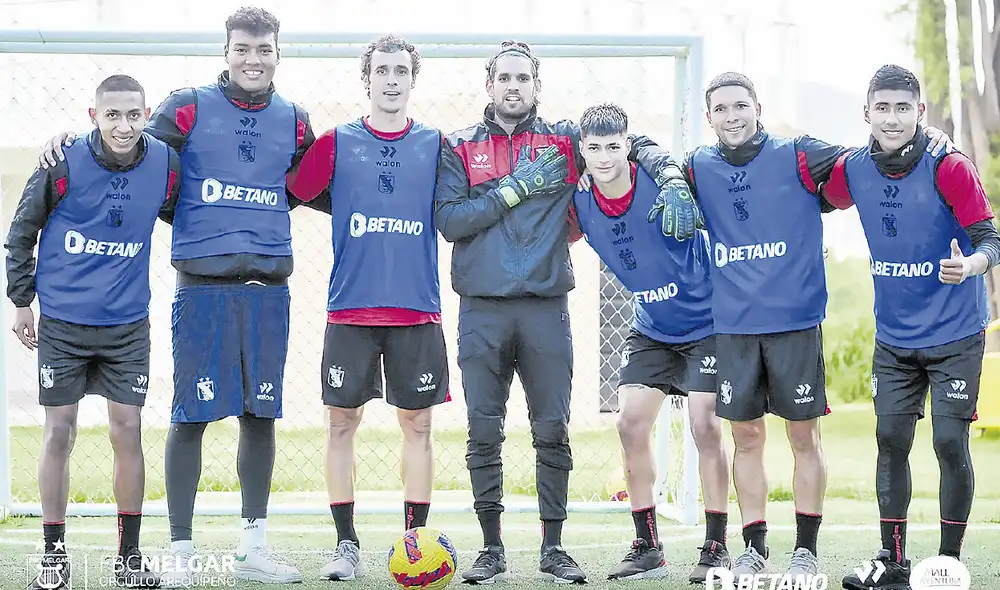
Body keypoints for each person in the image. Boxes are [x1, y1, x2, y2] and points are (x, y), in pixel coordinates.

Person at [38, 7, 314, 586]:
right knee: (189, 417)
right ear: (226, 51)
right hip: (202, 291)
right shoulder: (186, 106)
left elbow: (307, 184)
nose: (252, 60)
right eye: (242, 48)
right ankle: (182, 553)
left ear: (278, 53)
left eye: (264, 50)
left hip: (269, 289)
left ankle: (253, 548)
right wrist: (65, 139)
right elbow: (133, 160)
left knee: (259, 415)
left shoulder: (294, 120)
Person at [648, 71, 952, 581]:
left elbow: (872, 155)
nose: (732, 117)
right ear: (708, 118)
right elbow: (647, 162)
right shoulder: (698, 166)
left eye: (740, 105)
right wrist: (672, 179)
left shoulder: (799, 155)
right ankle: (754, 546)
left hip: (794, 325)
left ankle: (805, 548)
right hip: (735, 328)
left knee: (804, 439)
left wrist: (932, 140)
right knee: (746, 438)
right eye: (721, 109)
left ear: (758, 106)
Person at [434, 40, 696, 585]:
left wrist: (669, 177)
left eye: (523, 78)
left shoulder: (564, 139)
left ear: (536, 84)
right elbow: (451, 220)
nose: (513, 87)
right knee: (484, 432)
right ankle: (491, 548)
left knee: (551, 430)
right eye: (503, 77)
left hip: (546, 308)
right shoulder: (458, 146)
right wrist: (513, 189)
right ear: (489, 84)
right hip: (481, 310)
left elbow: (629, 142)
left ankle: (553, 547)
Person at [820, 65, 998, 590]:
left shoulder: (950, 168)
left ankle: (948, 562)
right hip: (894, 338)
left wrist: (970, 266)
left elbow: (991, 240)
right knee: (890, 440)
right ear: (868, 115)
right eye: (884, 108)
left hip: (956, 333)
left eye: (904, 108)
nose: (893, 118)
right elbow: (806, 196)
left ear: (920, 112)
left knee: (948, 442)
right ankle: (892, 562)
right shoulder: (853, 169)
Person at [284, 35, 448, 582]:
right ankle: (346, 543)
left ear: (412, 79)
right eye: (383, 70)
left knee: (418, 425)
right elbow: (288, 187)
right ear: (368, 79)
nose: (393, 79)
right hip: (350, 311)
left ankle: (414, 540)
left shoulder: (435, 144)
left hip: (416, 309)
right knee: (340, 424)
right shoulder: (336, 143)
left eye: (402, 70)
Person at [6, 74, 178, 590]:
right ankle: (54, 557)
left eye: (133, 115)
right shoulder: (61, 162)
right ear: (93, 116)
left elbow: (184, 208)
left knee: (128, 431)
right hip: (63, 324)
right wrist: (21, 303)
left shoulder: (166, 164)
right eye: (112, 115)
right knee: (60, 432)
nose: (123, 125)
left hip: (127, 326)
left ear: (146, 115)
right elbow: (21, 233)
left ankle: (128, 559)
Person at [571, 103, 731, 583]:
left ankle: (717, 545)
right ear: (582, 149)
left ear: (628, 144)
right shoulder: (579, 201)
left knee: (705, 425)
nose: (604, 157)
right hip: (652, 329)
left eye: (614, 146)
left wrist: (674, 180)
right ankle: (647, 546)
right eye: (594, 147)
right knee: (630, 424)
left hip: (706, 323)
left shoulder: (660, 179)